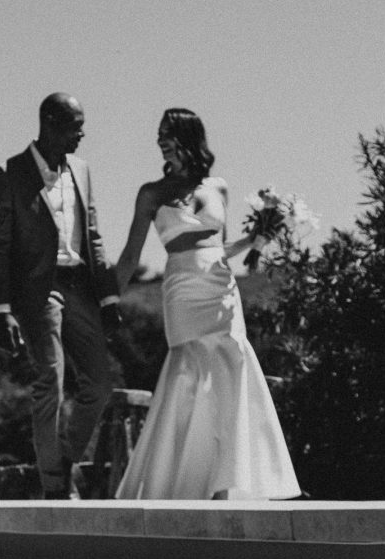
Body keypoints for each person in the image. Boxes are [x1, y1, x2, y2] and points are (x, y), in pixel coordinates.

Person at [114, 108, 301, 501]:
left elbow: (219, 247)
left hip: (221, 288)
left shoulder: (219, 187)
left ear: (188, 136)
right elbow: (131, 255)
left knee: (231, 370)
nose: (160, 140)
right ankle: (178, 481)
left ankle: (227, 484)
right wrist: (109, 297)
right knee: (188, 374)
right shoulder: (151, 193)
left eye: (167, 133)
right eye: (159, 134)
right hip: (181, 289)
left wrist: (256, 238)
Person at [0, 92, 121, 499]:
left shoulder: (82, 169)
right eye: (75, 125)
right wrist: (2, 308)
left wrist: (109, 298)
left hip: (80, 285)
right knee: (51, 382)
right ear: (49, 122)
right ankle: (55, 487)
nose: (82, 133)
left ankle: (61, 461)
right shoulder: (10, 173)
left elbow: (93, 236)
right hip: (38, 292)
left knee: (99, 383)